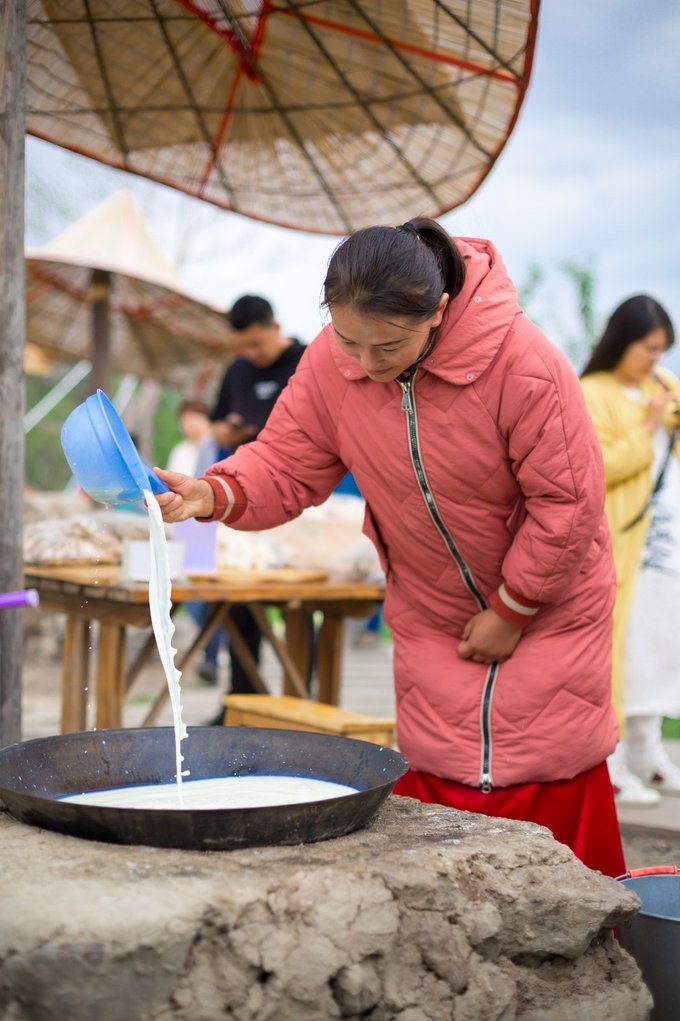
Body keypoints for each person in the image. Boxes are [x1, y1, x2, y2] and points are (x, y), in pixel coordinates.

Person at [155, 218, 623, 876]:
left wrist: (513, 608)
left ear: (439, 310)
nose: (368, 364)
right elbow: (286, 461)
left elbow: (568, 503)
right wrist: (214, 492)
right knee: (440, 773)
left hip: (548, 604)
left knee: (543, 764)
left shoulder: (524, 362)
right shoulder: (331, 363)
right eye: (349, 340)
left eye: (390, 344)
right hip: (430, 606)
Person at [581, 296, 678, 806]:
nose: (655, 360)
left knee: (657, 649)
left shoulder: (663, 386)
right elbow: (594, 468)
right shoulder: (591, 392)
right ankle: (610, 761)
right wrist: (647, 427)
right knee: (615, 653)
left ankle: (648, 754)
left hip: (665, 547)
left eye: (662, 350)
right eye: (648, 348)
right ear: (623, 342)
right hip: (620, 544)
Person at [209, 295, 306, 696]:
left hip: (298, 500)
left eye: (256, 343)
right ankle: (240, 702)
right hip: (245, 498)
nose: (251, 353)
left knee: (302, 605)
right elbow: (216, 424)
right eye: (243, 346)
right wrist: (230, 432)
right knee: (239, 602)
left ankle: (299, 704)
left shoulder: (307, 361)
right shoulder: (237, 370)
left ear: (275, 328)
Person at [166, 400, 222, 684]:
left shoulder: (217, 447)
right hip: (185, 530)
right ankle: (210, 652)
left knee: (210, 595)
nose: (189, 424)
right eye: (185, 419)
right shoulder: (180, 451)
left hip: (216, 529)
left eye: (195, 418)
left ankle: (212, 654)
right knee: (191, 595)